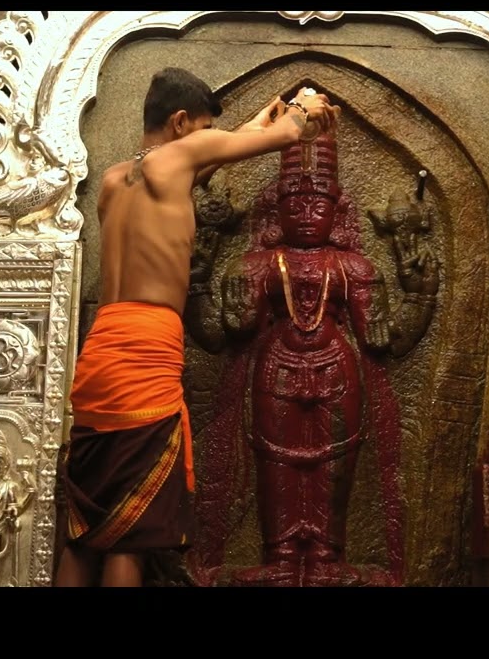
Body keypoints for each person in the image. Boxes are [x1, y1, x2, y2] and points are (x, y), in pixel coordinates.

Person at [54, 67, 339, 587]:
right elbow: (288, 135)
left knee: (86, 529)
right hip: (145, 353)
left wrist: (255, 122)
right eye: (206, 129)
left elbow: (213, 156)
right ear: (181, 122)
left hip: (99, 357)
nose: (209, 139)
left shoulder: (115, 181)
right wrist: (306, 105)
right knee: (131, 535)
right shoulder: (182, 157)